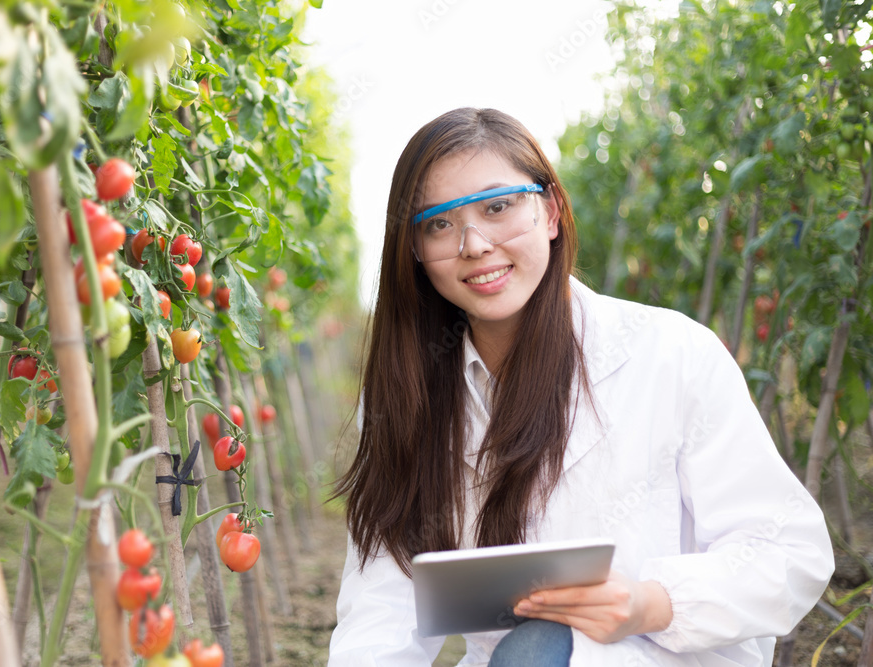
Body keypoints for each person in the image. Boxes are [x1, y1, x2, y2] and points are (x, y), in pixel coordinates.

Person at [326, 108, 834, 666]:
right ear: (416, 253)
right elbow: (383, 603)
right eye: (439, 223)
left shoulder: (670, 354)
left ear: (551, 211)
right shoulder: (416, 394)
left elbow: (790, 549)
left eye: (497, 207)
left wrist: (652, 604)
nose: (473, 244)